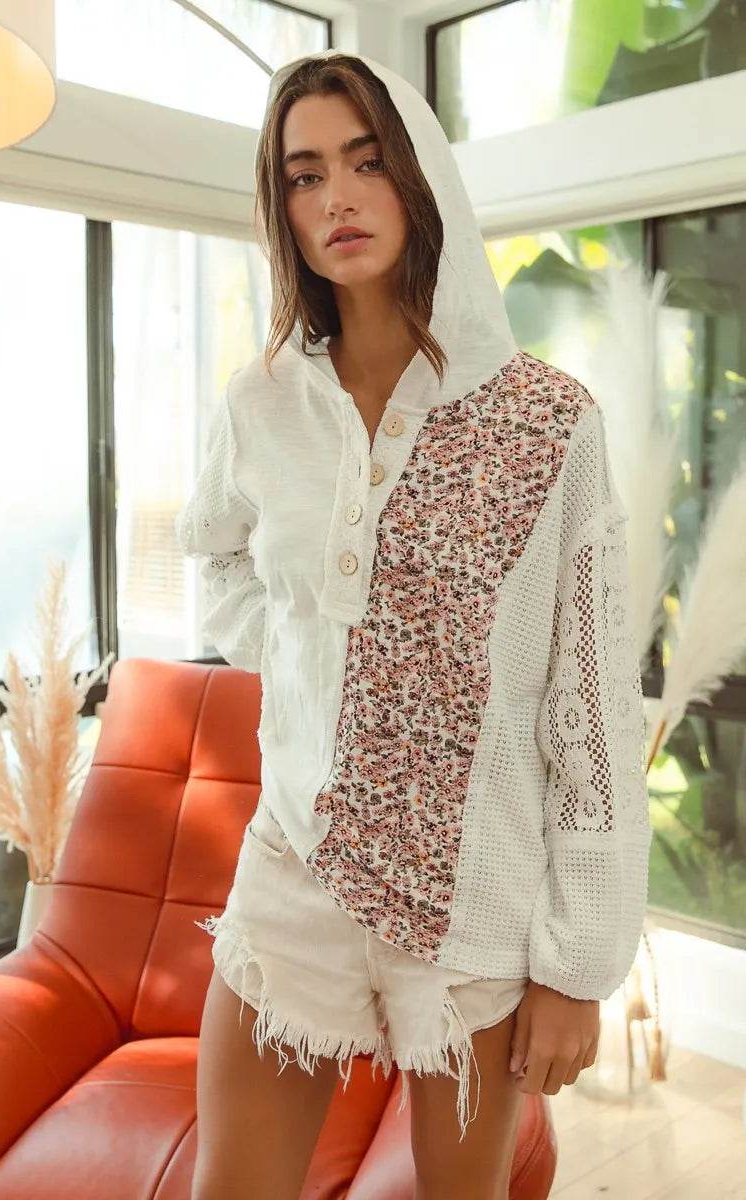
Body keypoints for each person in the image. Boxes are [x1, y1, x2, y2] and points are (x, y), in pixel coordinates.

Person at [176, 49, 652, 1200]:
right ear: (280, 207)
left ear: (419, 174)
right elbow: (217, 560)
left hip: (474, 899)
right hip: (294, 865)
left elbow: (589, 711)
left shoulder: (546, 422)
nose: (334, 198)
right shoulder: (259, 404)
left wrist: (577, 966)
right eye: (302, 175)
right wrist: (309, 662)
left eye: (365, 162)